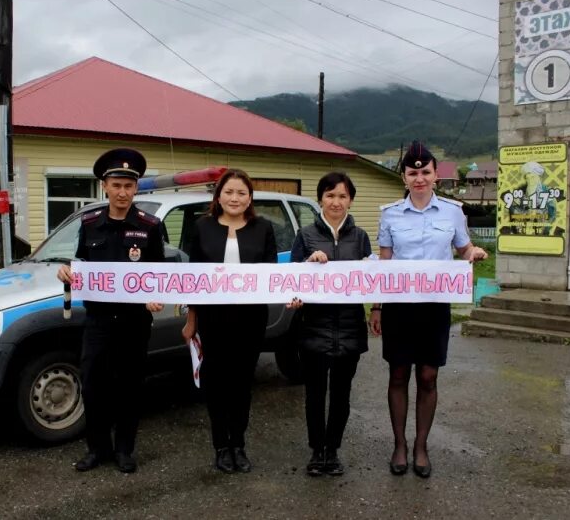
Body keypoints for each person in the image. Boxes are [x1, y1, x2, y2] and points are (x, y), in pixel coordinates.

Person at [369, 140, 487, 479]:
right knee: (398, 374)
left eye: (425, 172)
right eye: (412, 172)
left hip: (435, 307)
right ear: (403, 177)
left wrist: (473, 254)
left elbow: (463, 247)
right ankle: (399, 445)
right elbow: (385, 263)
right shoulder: (390, 214)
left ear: (436, 175)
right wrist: (376, 306)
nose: (419, 178)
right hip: (398, 307)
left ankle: (421, 445)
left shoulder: (452, 212)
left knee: (428, 376)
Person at [57, 148, 165, 474]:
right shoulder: (90, 224)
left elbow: (160, 273)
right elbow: (79, 264)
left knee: (129, 387)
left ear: (136, 189)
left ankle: (124, 451)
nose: (122, 192)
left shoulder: (150, 226)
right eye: (116, 185)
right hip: (99, 321)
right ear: (105, 185)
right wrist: (67, 272)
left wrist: (155, 296)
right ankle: (97, 449)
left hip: (134, 321)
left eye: (128, 186)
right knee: (93, 386)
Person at [181, 168, 277, 474]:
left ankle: (239, 444)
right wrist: (191, 319)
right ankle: (221, 446)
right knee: (216, 383)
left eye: (241, 193)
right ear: (218, 195)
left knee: (242, 384)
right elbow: (192, 279)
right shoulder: (202, 227)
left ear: (250, 197)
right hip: (213, 319)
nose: (235, 198)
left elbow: (272, 274)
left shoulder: (263, 228)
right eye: (229, 192)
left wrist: (292, 291)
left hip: (250, 320)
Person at [287, 171, 372, 477]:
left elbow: (371, 281)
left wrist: (368, 273)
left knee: (341, 394)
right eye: (330, 195)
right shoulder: (306, 236)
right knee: (314, 394)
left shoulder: (360, 237)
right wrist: (308, 266)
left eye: (342, 196)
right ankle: (316, 451)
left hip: (350, 327)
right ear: (320, 198)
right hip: (314, 328)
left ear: (350, 200)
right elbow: (292, 281)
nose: (336, 202)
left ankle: (332, 451)